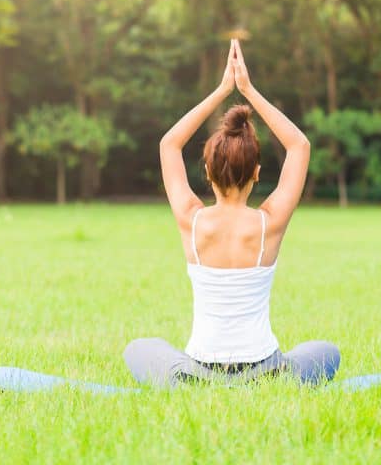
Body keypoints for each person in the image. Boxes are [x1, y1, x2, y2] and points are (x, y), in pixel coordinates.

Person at [123, 39, 340, 388]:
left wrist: (222, 90)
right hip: (266, 370)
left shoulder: (191, 221)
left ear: (207, 173)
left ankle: (192, 382)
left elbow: (169, 144)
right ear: (256, 173)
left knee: (139, 349)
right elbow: (299, 145)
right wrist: (248, 91)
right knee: (326, 352)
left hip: (200, 369)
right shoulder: (269, 223)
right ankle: (270, 382)